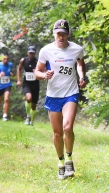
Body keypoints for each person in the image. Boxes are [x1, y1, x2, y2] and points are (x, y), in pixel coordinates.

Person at [34, 19, 86, 179]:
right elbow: (37, 71)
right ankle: (61, 162)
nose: (61, 37)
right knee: (57, 134)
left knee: (67, 128)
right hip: (53, 95)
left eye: (64, 34)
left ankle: (69, 159)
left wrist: (82, 76)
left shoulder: (77, 49)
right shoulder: (46, 50)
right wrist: (44, 75)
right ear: (54, 34)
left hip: (70, 93)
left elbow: (80, 64)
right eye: (58, 34)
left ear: (68, 34)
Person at [17, 46, 39, 126]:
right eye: (30, 53)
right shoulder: (23, 60)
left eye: (33, 53)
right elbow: (19, 69)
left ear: (35, 53)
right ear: (27, 53)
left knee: (33, 105)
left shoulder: (38, 61)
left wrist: (37, 72)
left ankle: (32, 121)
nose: (31, 54)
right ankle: (28, 116)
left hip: (35, 84)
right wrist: (18, 80)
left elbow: (43, 71)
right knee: (28, 98)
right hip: (27, 83)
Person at [0, 54, 14, 121]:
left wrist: (11, 74)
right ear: (2, 59)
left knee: (6, 99)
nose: (6, 60)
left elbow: (10, 72)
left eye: (7, 59)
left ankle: (5, 116)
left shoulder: (10, 64)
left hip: (7, 84)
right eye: (4, 59)